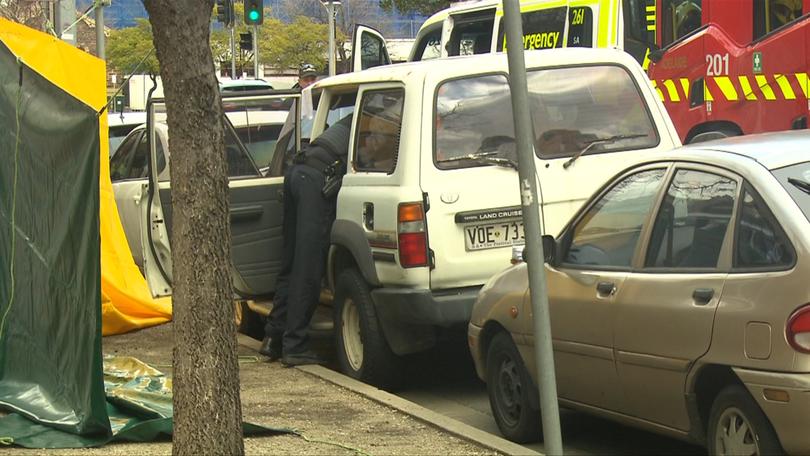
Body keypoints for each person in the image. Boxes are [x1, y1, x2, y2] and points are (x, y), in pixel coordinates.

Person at [260, 113, 353, 366]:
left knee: (291, 261)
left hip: (297, 172)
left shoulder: (350, 119)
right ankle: (295, 345)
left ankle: (273, 337)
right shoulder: (381, 118)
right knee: (308, 265)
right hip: (316, 181)